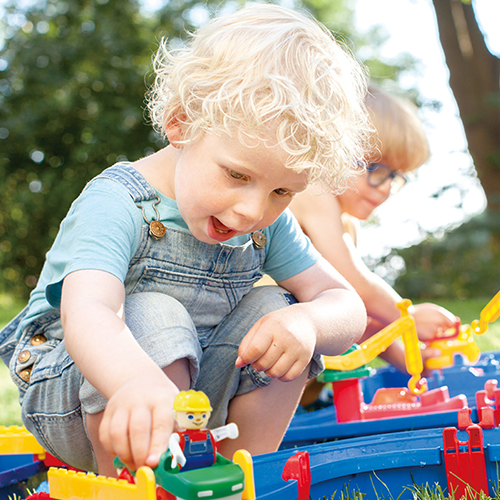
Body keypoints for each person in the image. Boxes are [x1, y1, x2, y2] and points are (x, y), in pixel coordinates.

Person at [0, 5, 370, 476]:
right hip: (84, 393)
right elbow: (88, 312)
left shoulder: (263, 222)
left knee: (281, 311)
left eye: (281, 191)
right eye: (237, 174)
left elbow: (345, 303)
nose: (252, 211)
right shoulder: (118, 202)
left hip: (196, 400)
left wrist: (310, 322)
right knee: (153, 310)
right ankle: (134, 481)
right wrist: (134, 380)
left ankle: (244, 475)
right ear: (181, 124)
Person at [290, 85, 457, 402]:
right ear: (333, 149)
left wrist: (416, 358)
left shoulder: (345, 226)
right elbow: (356, 286)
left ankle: (310, 403)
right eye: (375, 168)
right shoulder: (312, 191)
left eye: (396, 175)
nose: (386, 188)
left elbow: (362, 316)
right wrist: (407, 317)